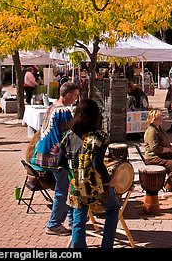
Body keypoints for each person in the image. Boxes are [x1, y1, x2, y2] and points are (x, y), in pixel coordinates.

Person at [62, 98, 120, 248]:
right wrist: (109, 179)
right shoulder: (99, 136)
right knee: (113, 210)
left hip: (77, 184)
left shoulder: (68, 135)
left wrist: (73, 176)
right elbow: (97, 163)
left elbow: (59, 161)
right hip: (96, 185)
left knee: (78, 219)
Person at [30, 82, 80, 236]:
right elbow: (68, 136)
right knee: (63, 189)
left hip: (43, 154)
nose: (76, 98)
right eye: (76, 95)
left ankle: (72, 220)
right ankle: (54, 224)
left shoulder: (52, 107)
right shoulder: (64, 111)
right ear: (68, 95)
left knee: (65, 187)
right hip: (56, 157)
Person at [144, 109, 172, 192]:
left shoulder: (160, 128)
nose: (161, 119)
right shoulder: (152, 131)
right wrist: (169, 149)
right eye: (159, 118)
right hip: (152, 157)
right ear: (153, 120)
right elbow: (155, 148)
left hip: (161, 155)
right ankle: (168, 186)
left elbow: (166, 142)